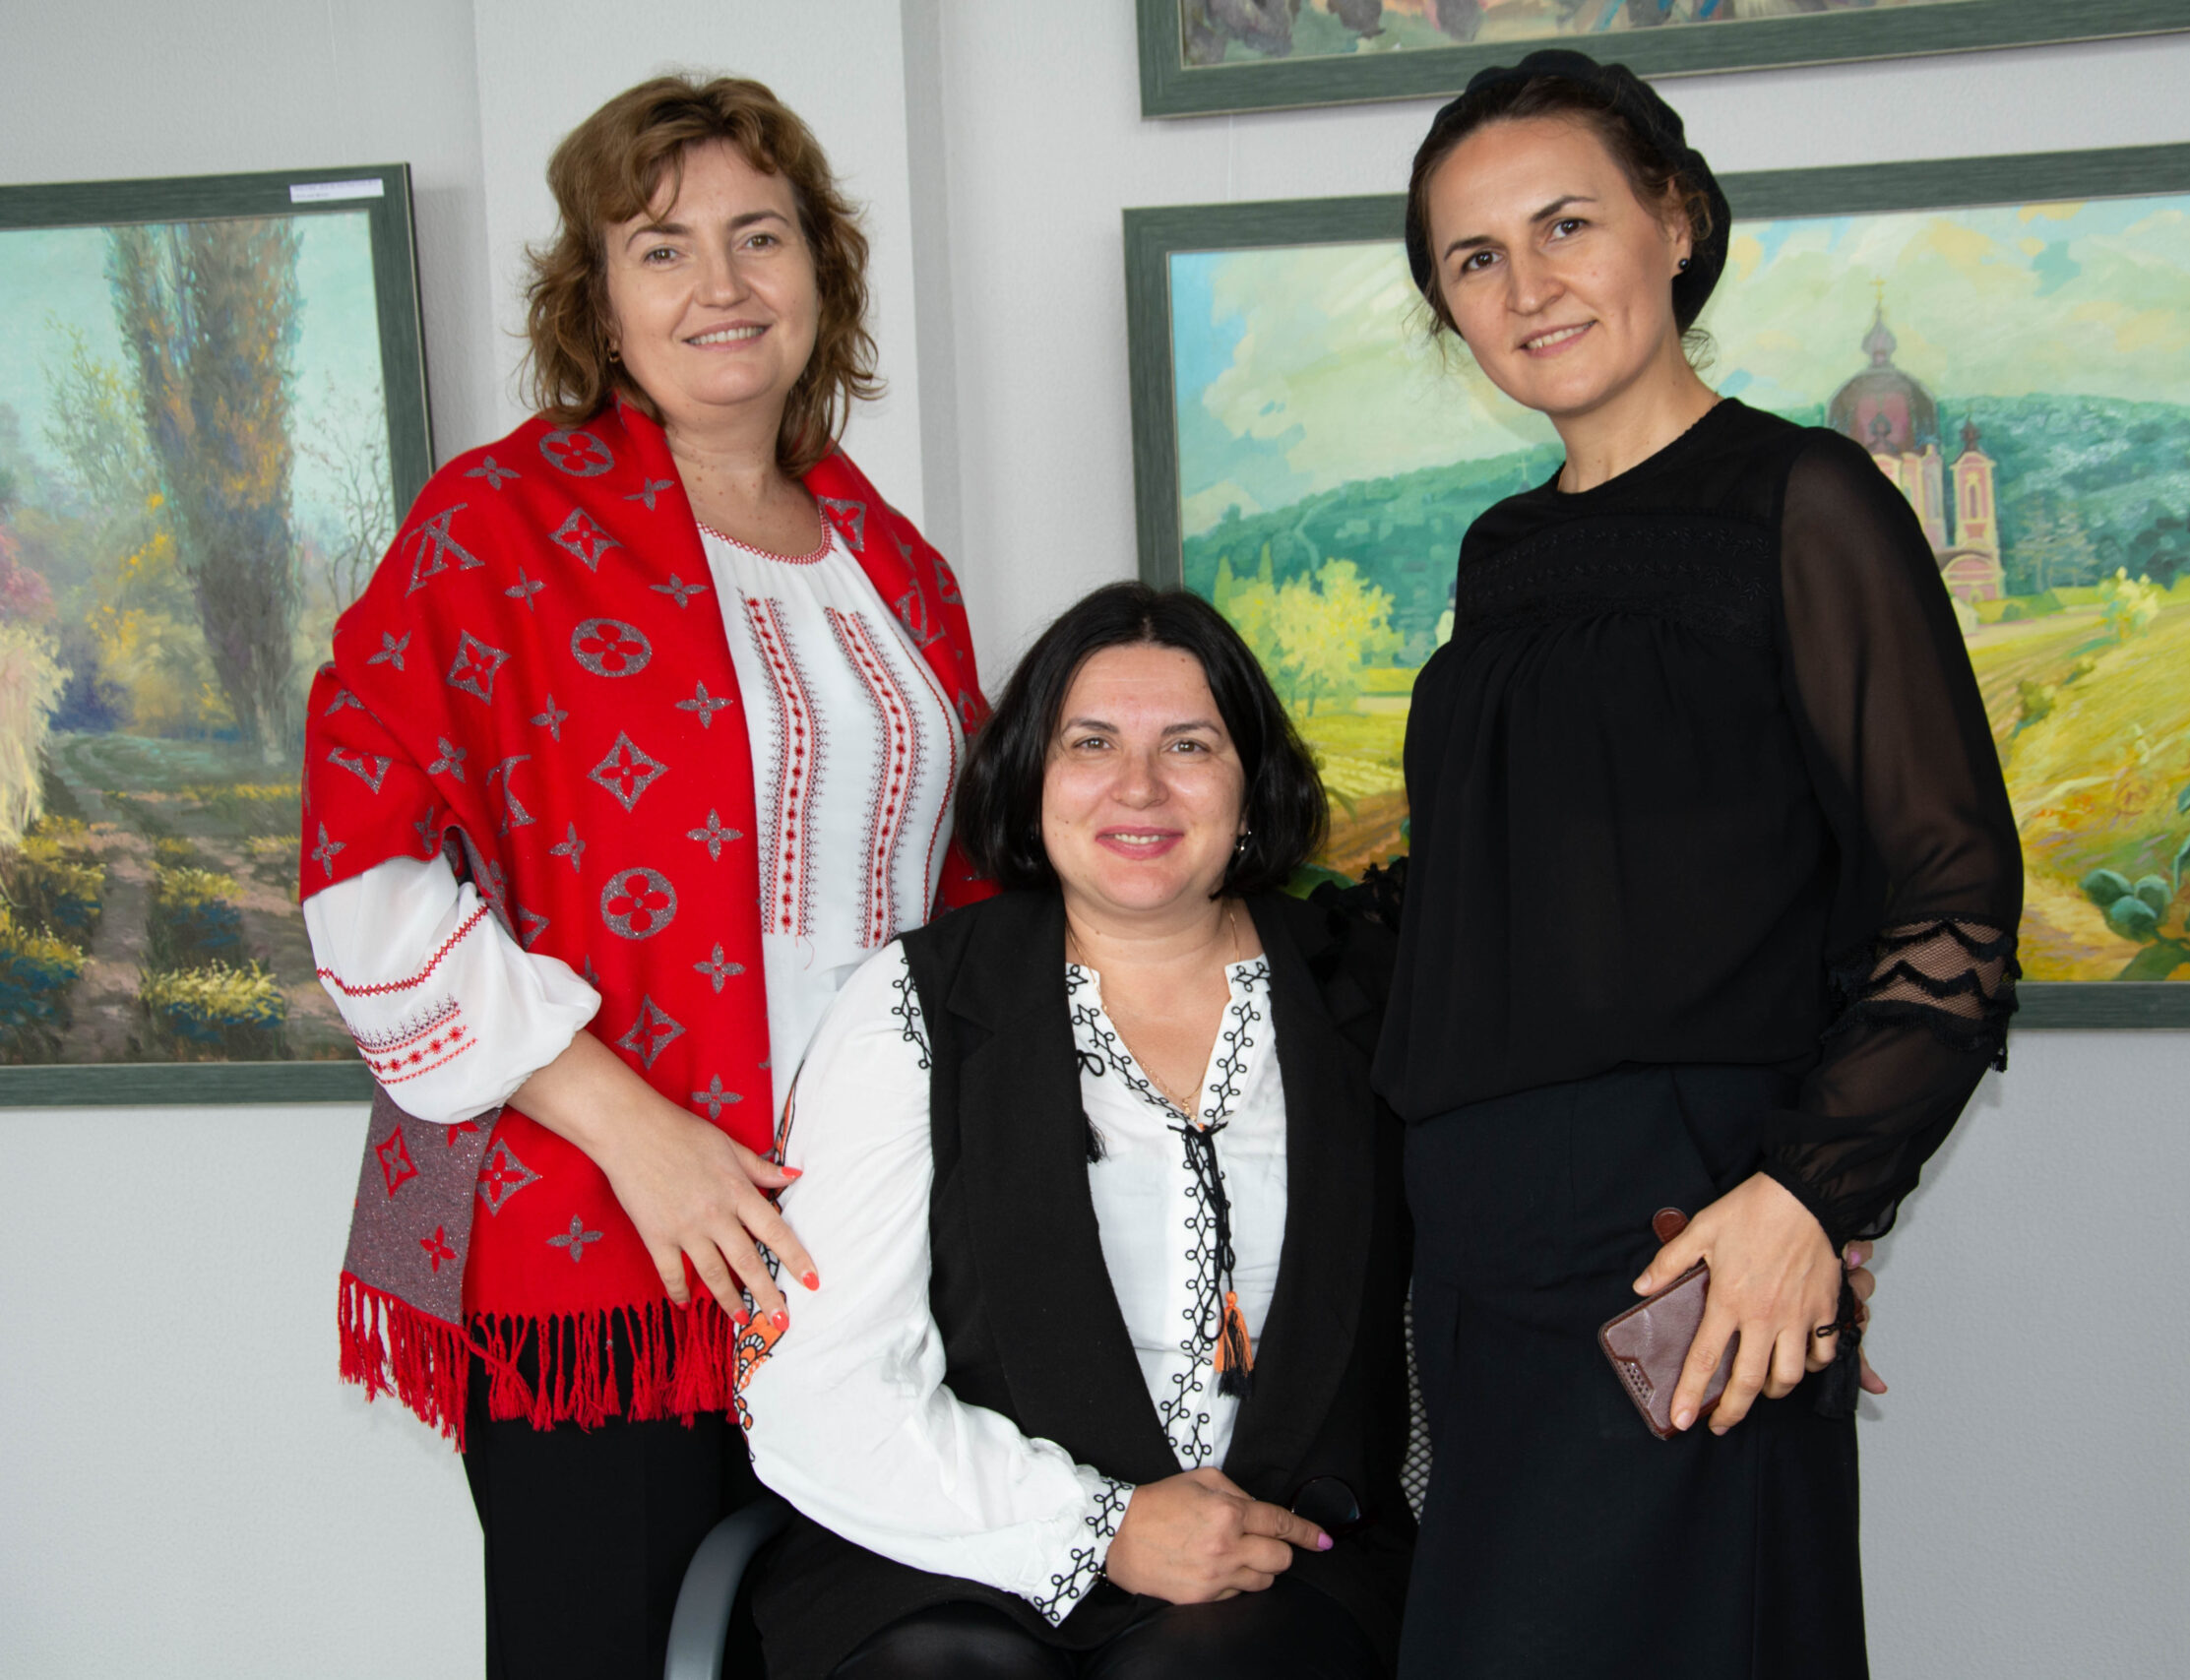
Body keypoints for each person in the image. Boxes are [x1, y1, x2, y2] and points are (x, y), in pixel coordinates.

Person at [298, 75, 989, 1680]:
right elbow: (362, 867)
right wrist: (640, 1136)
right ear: (597, 301)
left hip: (874, 1242)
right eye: (662, 248)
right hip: (606, 1231)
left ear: (822, 271)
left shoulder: (896, 563)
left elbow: (966, 896)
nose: (721, 284)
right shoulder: (496, 525)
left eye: (761, 236)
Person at [1378, 50, 2025, 1678]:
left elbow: (1950, 896)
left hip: (1684, 1230)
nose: (1529, 287)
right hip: (1478, 1250)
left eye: (1567, 224)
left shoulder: (1806, 499)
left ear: (1674, 222)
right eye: (1476, 257)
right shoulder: (1503, 555)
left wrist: (1809, 1197)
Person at [737, 584, 1413, 1680]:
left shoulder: (1373, 992)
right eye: (1091, 742)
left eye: (1188, 744)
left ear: (1252, 788)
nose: (1138, 785)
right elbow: (816, 1382)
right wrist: (1102, 1528)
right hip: (948, 1561)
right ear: (1031, 779)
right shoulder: (912, 1004)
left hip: (1279, 1566)